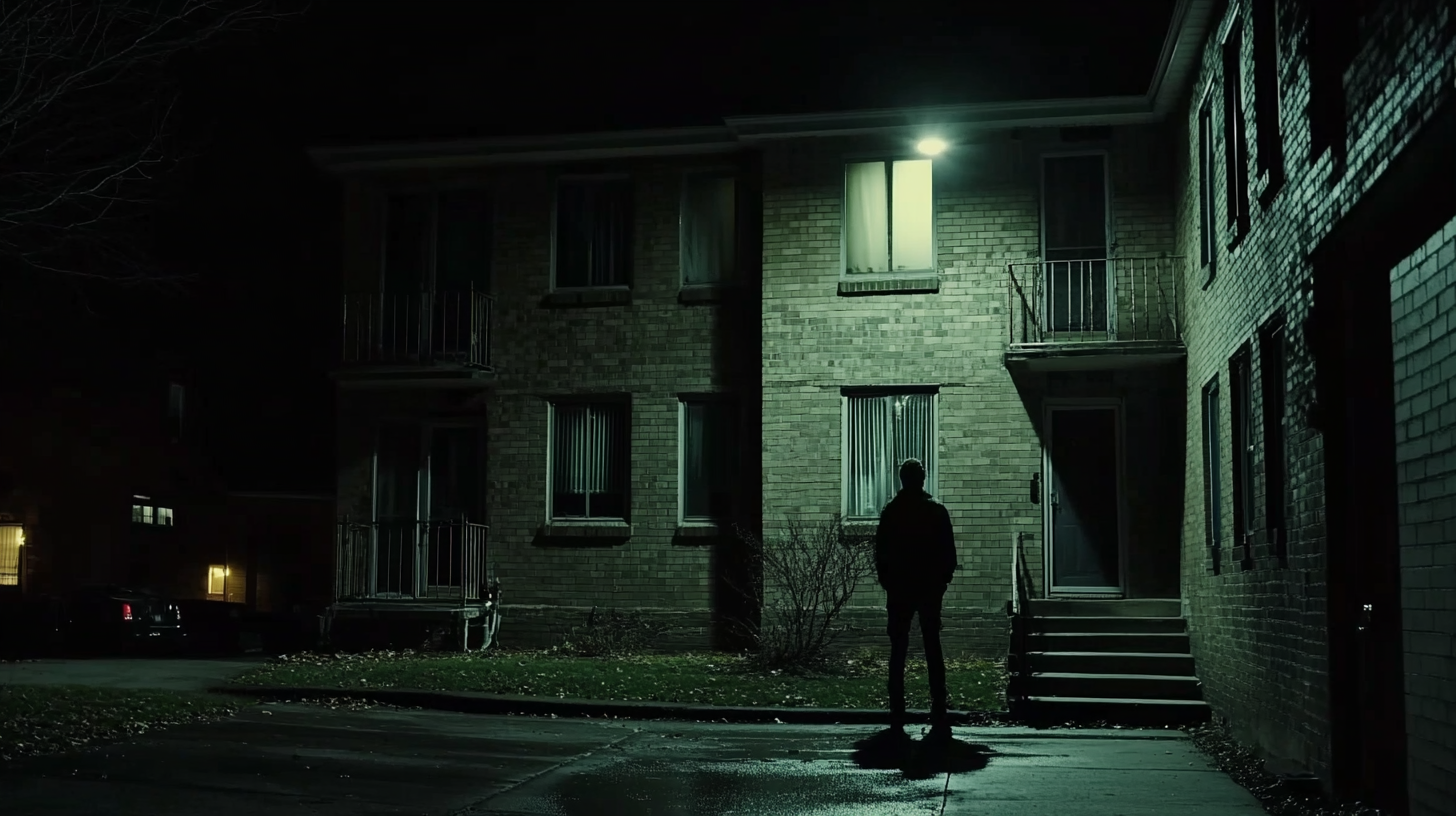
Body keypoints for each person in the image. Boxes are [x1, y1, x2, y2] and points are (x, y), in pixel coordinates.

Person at [874, 457, 957, 732]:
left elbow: (881, 553)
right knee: (932, 645)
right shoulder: (935, 511)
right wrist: (941, 582)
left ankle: (897, 707)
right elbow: (948, 554)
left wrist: (889, 582)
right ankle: (938, 705)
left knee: (899, 648)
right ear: (921, 479)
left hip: (900, 588)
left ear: (902, 480)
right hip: (928, 587)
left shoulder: (891, 512)